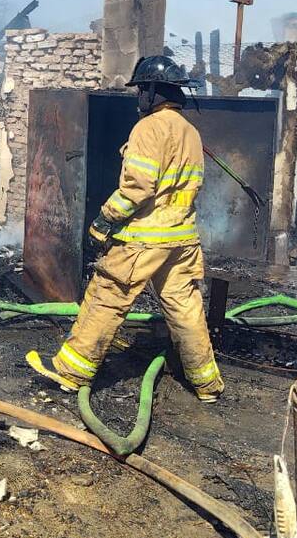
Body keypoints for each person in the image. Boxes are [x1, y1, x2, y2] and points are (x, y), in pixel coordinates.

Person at [26, 55, 224, 402]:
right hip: (181, 238)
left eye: (140, 91)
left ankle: (71, 372)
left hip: (144, 237)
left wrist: (104, 220)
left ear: (151, 92)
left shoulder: (149, 128)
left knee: (107, 297)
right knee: (185, 308)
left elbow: (140, 186)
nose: (137, 98)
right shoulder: (190, 133)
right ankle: (207, 384)